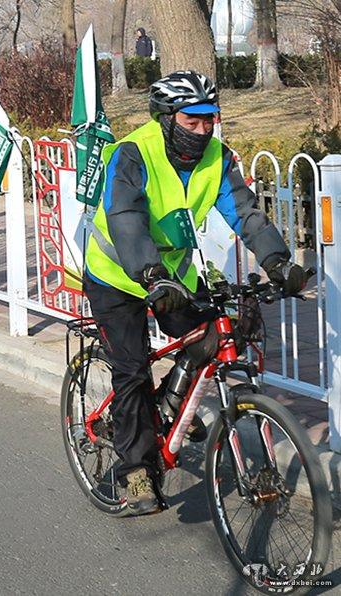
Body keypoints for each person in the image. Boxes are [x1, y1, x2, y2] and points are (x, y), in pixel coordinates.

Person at [83, 70, 305, 516]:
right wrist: (150, 275)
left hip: (172, 275)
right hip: (117, 275)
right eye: (192, 122)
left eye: (211, 121)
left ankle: (169, 402)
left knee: (219, 334)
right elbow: (126, 218)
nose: (203, 132)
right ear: (166, 118)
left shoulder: (217, 159)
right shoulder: (133, 154)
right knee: (131, 371)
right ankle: (136, 470)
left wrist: (278, 262)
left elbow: (245, 213)